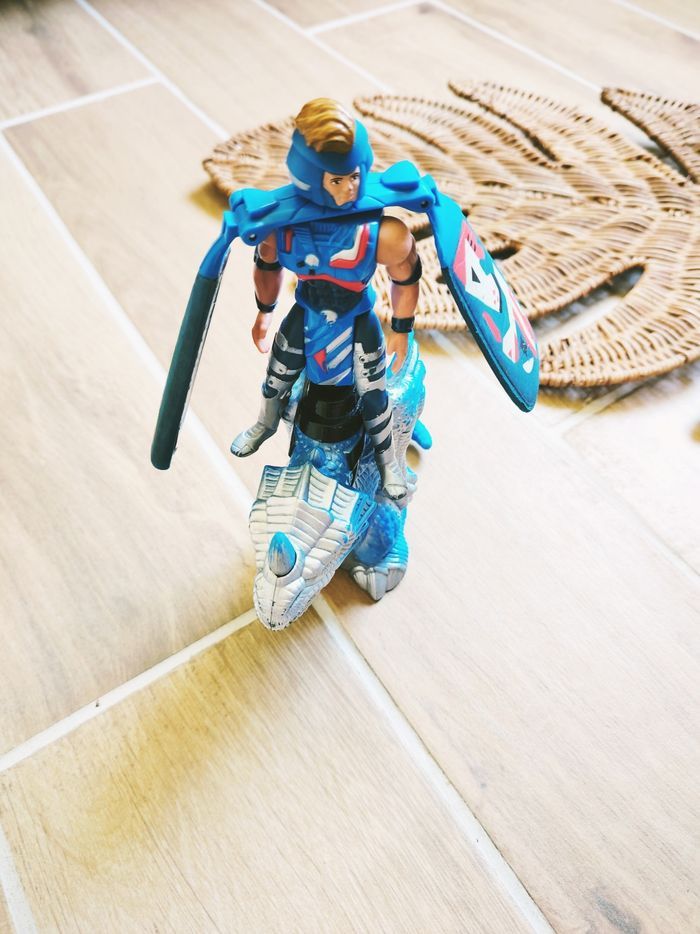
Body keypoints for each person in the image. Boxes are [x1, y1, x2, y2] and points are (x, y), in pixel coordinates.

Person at [230, 98, 422, 500]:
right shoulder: (281, 229)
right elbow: (267, 267)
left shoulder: (383, 234)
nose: (349, 188)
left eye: (354, 176)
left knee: (374, 394)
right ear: (311, 178)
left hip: (357, 317)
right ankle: (265, 425)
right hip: (307, 312)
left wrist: (401, 329)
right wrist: (264, 312)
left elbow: (406, 276)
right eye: (336, 180)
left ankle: (389, 463)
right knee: (275, 379)